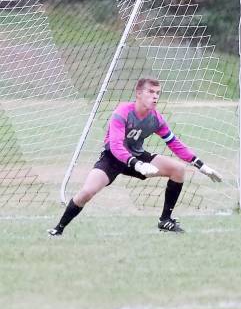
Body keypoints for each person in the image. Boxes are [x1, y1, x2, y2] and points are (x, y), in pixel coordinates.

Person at [47, 77, 223, 236]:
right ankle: (58, 229)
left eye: (158, 93)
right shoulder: (123, 112)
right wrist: (136, 164)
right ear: (138, 94)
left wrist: (201, 165)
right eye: (150, 92)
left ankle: (165, 220)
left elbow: (174, 144)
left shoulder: (156, 119)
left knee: (178, 169)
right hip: (112, 159)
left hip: (138, 156)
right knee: (87, 192)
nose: (155, 97)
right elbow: (115, 146)